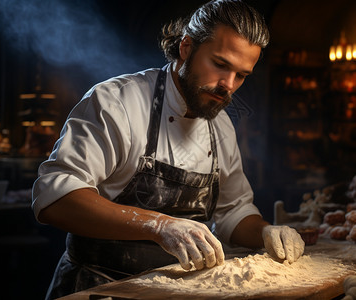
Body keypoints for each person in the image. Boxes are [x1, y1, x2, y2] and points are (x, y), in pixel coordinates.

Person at [32, 0, 305, 298]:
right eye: (220, 64)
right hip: (100, 284)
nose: (228, 85)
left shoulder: (221, 124)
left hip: (179, 291)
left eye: (241, 75)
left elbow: (233, 211)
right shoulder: (117, 103)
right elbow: (55, 199)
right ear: (186, 47)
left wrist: (266, 232)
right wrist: (159, 225)